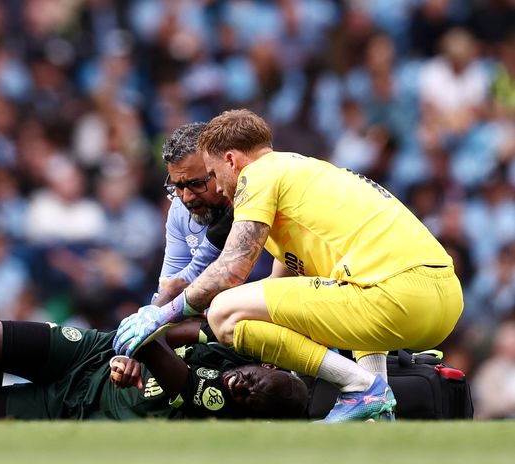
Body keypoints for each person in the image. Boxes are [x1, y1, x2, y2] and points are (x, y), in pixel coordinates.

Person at [114, 109, 463, 422]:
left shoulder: (260, 175)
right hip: (441, 300)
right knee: (340, 302)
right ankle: (377, 413)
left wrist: (163, 314)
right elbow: (280, 294)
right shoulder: (303, 176)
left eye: (212, 173)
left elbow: (232, 270)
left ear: (232, 160)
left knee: (224, 312)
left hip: (396, 293)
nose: (218, 186)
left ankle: (361, 387)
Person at [0, 320, 308, 421]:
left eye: (247, 398)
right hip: (92, 355)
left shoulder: (218, 404)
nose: (241, 388)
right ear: (267, 366)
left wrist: (138, 350)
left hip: (81, 404)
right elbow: (176, 332)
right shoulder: (241, 348)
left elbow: (154, 339)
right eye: (255, 383)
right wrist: (128, 352)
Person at [155, 122, 272, 306]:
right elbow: (166, 290)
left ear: (218, 168)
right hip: (211, 317)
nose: (186, 197)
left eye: (196, 183)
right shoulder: (178, 209)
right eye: (178, 186)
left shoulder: (255, 197)